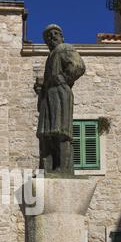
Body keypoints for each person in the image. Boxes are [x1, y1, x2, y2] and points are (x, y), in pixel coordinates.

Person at [34, 24, 86, 174]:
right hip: (49, 95)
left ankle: (62, 168)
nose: (52, 37)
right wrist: (42, 85)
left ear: (62, 37)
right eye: (48, 37)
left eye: (55, 34)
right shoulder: (51, 56)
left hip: (59, 93)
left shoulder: (64, 48)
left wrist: (63, 78)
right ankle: (48, 167)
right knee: (46, 133)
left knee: (60, 132)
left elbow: (79, 66)